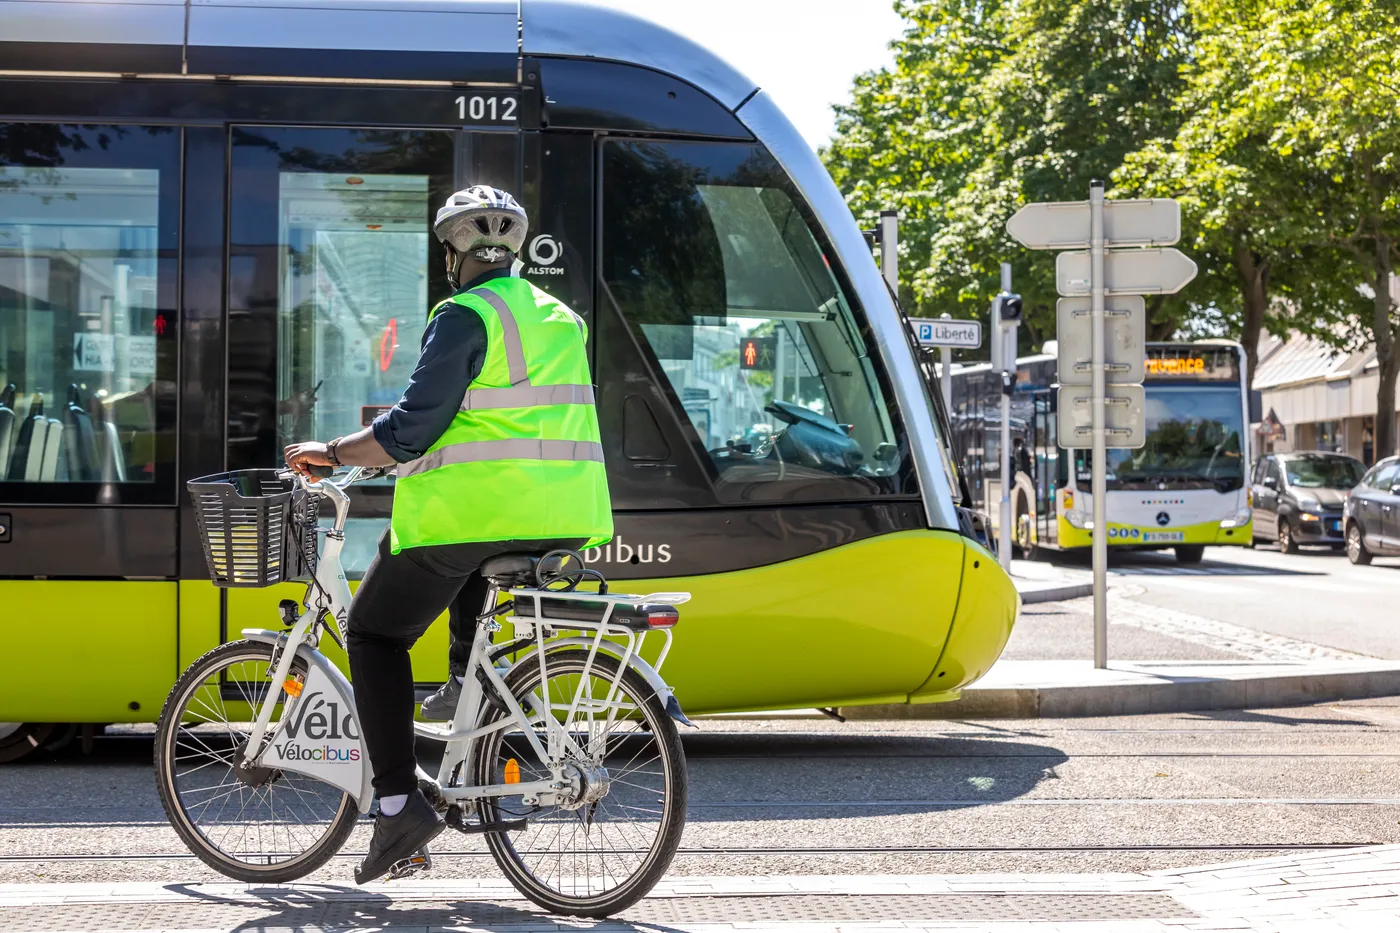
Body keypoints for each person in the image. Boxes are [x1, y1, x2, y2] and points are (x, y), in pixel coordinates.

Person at [283, 185, 613, 884]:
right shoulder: (561, 318)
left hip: (476, 512)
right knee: (463, 576)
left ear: (452, 255)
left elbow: (412, 429)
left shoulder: (465, 315)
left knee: (374, 633)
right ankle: (469, 688)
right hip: (563, 513)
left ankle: (398, 805)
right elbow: (510, 418)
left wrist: (334, 452)